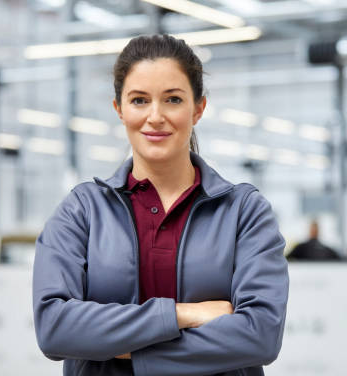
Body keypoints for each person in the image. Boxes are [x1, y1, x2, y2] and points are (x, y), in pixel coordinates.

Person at [32, 34, 289, 376]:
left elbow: (260, 336)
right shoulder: (82, 210)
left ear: (198, 108)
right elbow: (54, 328)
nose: (155, 116)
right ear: (119, 109)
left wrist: (125, 353)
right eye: (139, 100)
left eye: (172, 99)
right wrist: (183, 314)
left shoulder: (245, 212)